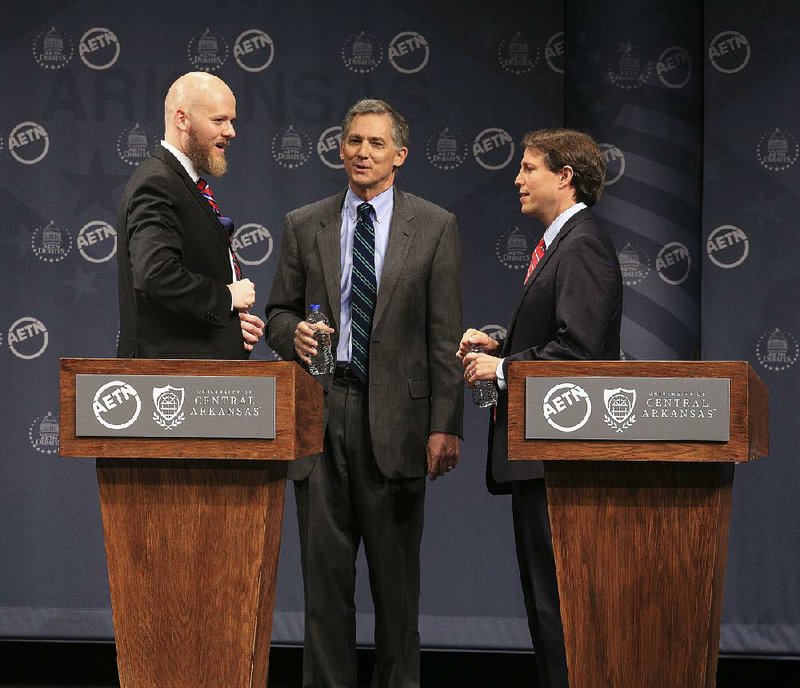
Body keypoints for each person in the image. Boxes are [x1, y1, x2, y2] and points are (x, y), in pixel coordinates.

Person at [266, 99, 463, 688]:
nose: (361, 152)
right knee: (324, 588)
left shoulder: (434, 225)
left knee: (396, 594)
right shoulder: (306, 223)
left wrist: (445, 424)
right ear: (339, 149)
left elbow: (444, 334)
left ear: (398, 156)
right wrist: (291, 333)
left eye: (376, 143)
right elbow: (278, 313)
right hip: (322, 417)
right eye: (353, 140)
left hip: (398, 424)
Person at [458, 128, 623, 688]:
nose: (517, 178)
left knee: (562, 615)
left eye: (529, 168)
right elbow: (556, 337)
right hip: (542, 457)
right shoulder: (561, 243)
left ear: (565, 176)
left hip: (559, 462)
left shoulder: (583, 244)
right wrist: (499, 348)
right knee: (548, 613)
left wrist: (502, 370)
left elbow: (576, 351)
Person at [117, 71, 264, 359]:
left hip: (193, 377)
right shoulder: (158, 182)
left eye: (231, 121)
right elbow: (155, 274)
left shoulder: (181, 181)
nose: (231, 131)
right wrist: (226, 298)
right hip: (168, 383)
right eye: (219, 120)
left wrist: (230, 324)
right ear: (182, 119)